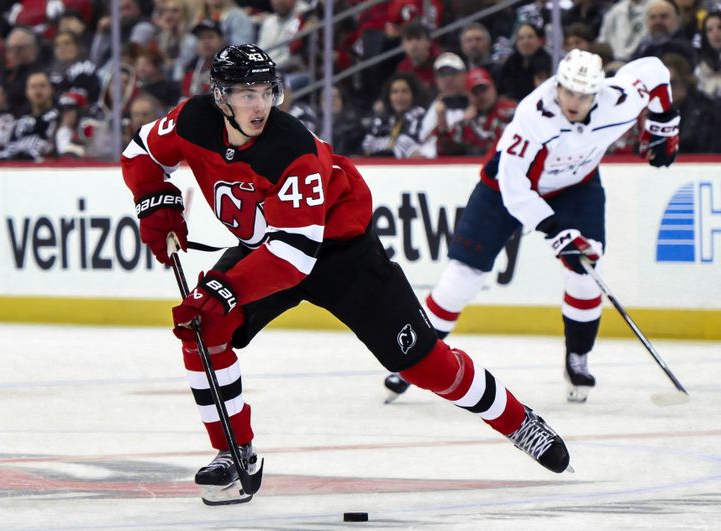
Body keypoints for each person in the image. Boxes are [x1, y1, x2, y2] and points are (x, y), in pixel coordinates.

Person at [120, 44, 572, 506]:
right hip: (265, 247)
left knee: (423, 363)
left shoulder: (290, 149)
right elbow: (141, 152)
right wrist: (154, 200)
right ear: (220, 97)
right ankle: (234, 452)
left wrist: (225, 288)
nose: (259, 105)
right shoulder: (193, 120)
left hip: (339, 254)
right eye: (245, 94)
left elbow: (294, 256)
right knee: (202, 328)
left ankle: (518, 422)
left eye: (266, 92)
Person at [397, 49, 680, 405]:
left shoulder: (618, 100)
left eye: (583, 94)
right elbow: (516, 189)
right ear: (558, 85)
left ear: (598, 93)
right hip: (504, 189)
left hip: (576, 186)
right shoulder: (533, 115)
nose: (574, 101)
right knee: (461, 278)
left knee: (586, 267)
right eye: (568, 91)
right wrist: (555, 229)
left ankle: (578, 358)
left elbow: (654, 69)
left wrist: (663, 122)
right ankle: (416, 359)